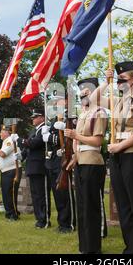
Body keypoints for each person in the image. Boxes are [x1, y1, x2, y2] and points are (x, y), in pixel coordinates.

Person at [91, 61, 133, 254]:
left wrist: (120, 146)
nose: (118, 83)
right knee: (124, 207)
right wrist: (105, 81)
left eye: (122, 79)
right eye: (117, 80)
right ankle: (131, 249)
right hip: (118, 155)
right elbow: (91, 100)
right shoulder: (118, 101)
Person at [64, 77, 108, 254]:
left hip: (92, 161)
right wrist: (74, 156)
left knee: (91, 206)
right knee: (82, 206)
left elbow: (97, 140)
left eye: (87, 91)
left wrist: (76, 136)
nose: (83, 94)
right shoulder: (83, 113)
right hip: (81, 161)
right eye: (81, 91)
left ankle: (93, 248)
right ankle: (84, 247)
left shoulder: (99, 112)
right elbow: (78, 142)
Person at [43, 98, 76, 234]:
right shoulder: (54, 120)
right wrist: (47, 136)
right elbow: (51, 139)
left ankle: (70, 223)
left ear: (68, 101)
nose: (57, 104)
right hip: (54, 160)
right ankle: (62, 223)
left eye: (60, 101)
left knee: (65, 192)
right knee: (58, 192)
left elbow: (74, 135)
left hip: (66, 158)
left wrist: (53, 137)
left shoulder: (72, 116)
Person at [21, 108, 48, 228]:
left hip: (39, 166)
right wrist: (21, 155)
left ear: (42, 117)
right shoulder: (34, 130)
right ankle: (39, 219)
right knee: (35, 194)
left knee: (41, 194)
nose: (33, 119)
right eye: (33, 117)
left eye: (35, 117)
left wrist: (19, 140)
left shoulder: (43, 129)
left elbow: (34, 144)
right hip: (32, 166)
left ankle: (44, 219)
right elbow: (28, 147)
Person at [0, 125, 22, 221]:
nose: (0, 134)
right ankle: (9, 213)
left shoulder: (10, 141)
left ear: (7, 132)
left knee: (10, 193)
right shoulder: (5, 142)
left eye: (2, 132)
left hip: (12, 170)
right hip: (6, 170)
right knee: (5, 193)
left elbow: (3, 154)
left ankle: (13, 214)